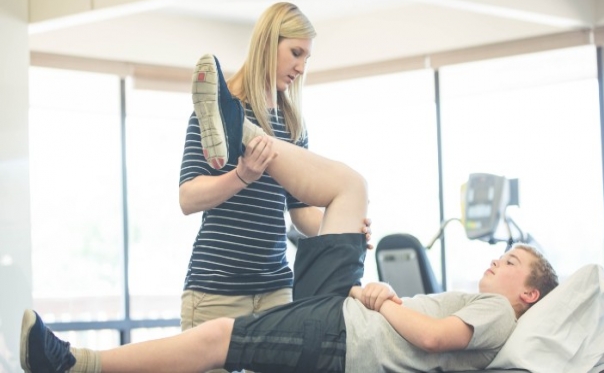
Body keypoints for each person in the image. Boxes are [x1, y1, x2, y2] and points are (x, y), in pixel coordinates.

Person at [20, 56, 559, 373]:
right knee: (351, 188)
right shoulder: (489, 304)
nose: (498, 260)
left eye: (511, 262)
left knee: (217, 341)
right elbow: (300, 215)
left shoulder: (498, 311)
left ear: (529, 294)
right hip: (346, 315)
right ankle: (244, 131)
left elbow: (435, 339)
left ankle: (74, 363)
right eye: (295, 53)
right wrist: (350, 251)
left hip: (345, 334)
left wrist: (383, 300)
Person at [178, 2, 371, 356]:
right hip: (215, 289)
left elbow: (300, 211)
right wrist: (241, 176)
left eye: (306, 58)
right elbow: (188, 198)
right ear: (268, 42)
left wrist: (345, 229)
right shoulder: (214, 109)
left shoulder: (293, 124)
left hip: (276, 291)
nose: (301, 67)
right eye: (296, 53)